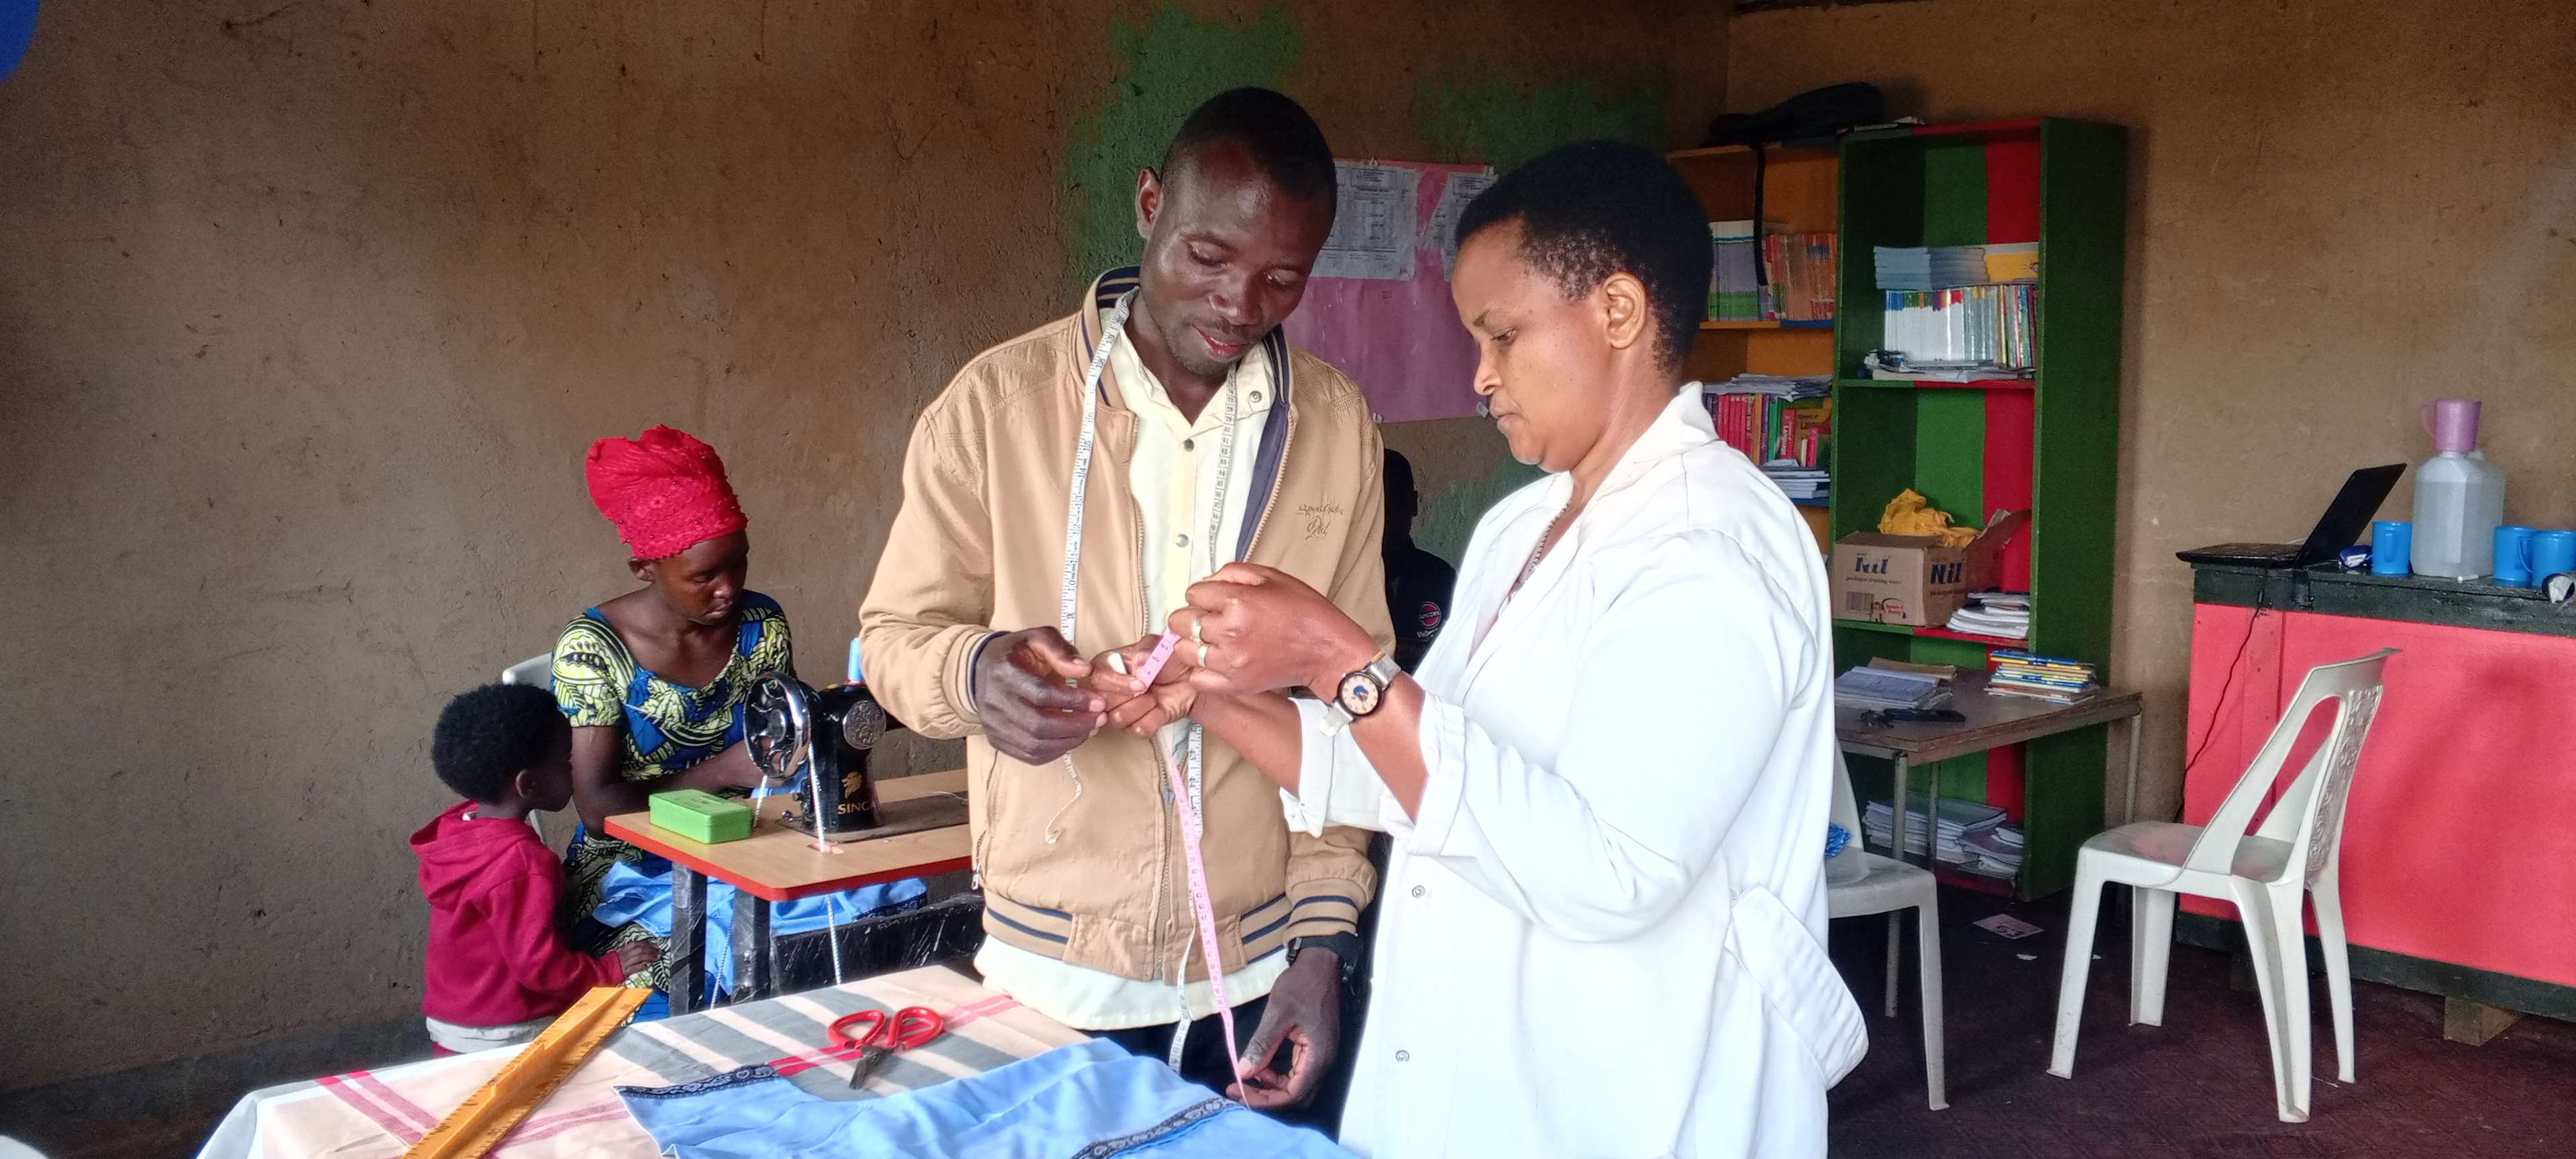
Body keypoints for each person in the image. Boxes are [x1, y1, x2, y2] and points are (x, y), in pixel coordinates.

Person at [1095, 142, 1866, 1156]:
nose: (1481, 374)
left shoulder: (1710, 550)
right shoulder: (1523, 527)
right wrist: (1206, 694)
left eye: (1503, 335)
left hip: (1635, 1097)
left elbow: (1609, 873)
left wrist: (1336, 660)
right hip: (1482, 1077)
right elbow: (1418, 775)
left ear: (1619, 314)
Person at [859, 87, 1389, 1115]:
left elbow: (1352, 701)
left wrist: (1323, 945)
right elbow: (892, 640)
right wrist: (977, 674)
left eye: (1284, 278)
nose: (1241, 303)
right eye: (1208, 256)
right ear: (1149, 204)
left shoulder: (1336, 427)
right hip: (1055, 968)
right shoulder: (995, 407)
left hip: (1260, 968)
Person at [555, 425, 922, 1007]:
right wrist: (723, 770)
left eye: (739, 565)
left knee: (880, 920)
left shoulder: (761, 624)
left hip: (757, 836)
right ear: (644, 568)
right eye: (704, 577)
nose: (728, 590)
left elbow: (790, 737)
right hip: (638, 869)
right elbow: (599, 811)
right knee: (689, 983)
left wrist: (858, 711)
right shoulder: (593, 649)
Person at [414, 683, 658, 1054]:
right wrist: (607, 969)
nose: (575, 765)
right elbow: (540, 967)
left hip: (455, 1019)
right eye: (566, 758)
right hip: (509, 1029)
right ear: (529, 784)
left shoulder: (457, 830)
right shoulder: (523, 862)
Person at [1378, 450, 1456, 673]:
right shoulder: (1342, 579)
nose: (1385, 515)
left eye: (1395, 500)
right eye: (1375, 504)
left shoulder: (1440, 578)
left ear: (1413, 503)